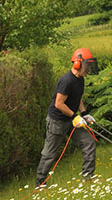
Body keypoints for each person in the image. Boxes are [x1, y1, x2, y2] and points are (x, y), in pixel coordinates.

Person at [35, 48, 99, 187]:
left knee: (89, 143)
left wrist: (84, 114)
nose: (89, 68)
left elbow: (78, 98)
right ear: (77, 63)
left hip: (72, 120)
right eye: (87, 65)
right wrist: (75, 116)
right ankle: (40, 184)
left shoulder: (80, 80)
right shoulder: (66, 81)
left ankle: (88, 177)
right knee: (49, 154)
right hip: (57, 121)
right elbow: (59, 104)